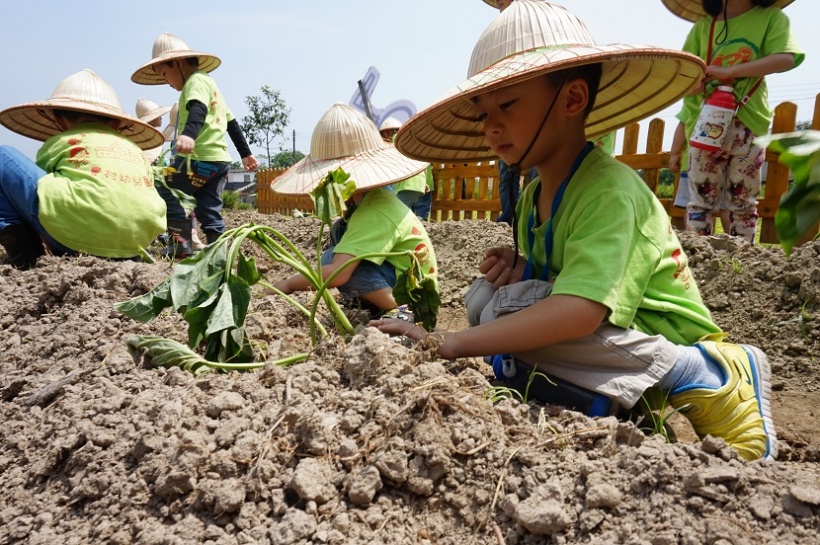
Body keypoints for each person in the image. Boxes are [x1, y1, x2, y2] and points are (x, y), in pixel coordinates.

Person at [379, 0, 777, 461]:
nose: (491, 127)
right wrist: (523, 264)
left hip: (655, 329)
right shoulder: (532, 199)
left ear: (571, 100)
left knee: (499, 317)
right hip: (610, 329)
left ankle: (703, 373)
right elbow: (565, 275)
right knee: (482, 299)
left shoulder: (608, 189)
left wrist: (451, 343)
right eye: (482, 112)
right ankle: (625, 398)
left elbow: (580, 310)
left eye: (506, 104)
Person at [270, 103, 439, 319]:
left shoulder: (373, 211)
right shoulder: (370, 201)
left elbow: (339, 273)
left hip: (414, 295)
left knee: (342, 265)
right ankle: (369, 301)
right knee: (340, 230)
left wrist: (289, 284)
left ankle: (399, 309)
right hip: (397, 274)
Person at [0, 69, 167, 269]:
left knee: (3, 156)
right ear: (116, 122)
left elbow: (38, 199)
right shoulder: (135, 149)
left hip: (73, 237)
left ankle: (27, 259)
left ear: (59, 120)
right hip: (136, 243)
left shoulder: (61, 141)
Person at [666, 0, 803, 242]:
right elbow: (682, 76)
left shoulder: (770, 18)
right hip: (705, 122)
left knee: (743, 202)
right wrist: (694, 85)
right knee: (701, 202)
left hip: (749, 122)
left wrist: (731, 72)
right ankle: (700, 258)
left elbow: (786, 58)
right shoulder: (703, 27)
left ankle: (742, 262)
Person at [131, 32, 259, 258]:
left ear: (178, 63)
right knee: (208, 209)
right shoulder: (211, 84)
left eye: (165, 74)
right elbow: (231, 122)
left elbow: (198, 108)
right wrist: (246, 154)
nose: (167, 83)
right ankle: (217, 254)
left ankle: (183, 244)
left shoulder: (195, 82)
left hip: (197, 160)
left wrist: (189, 134)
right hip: (219, 163)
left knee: (163, 184)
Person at [379, 117, 434, 221]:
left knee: (395, 214)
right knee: (406, 213)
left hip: (408, 185)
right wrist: (425, 182)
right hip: (418, 183)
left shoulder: (396, 140)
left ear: (386, 133)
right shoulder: (410, 140)